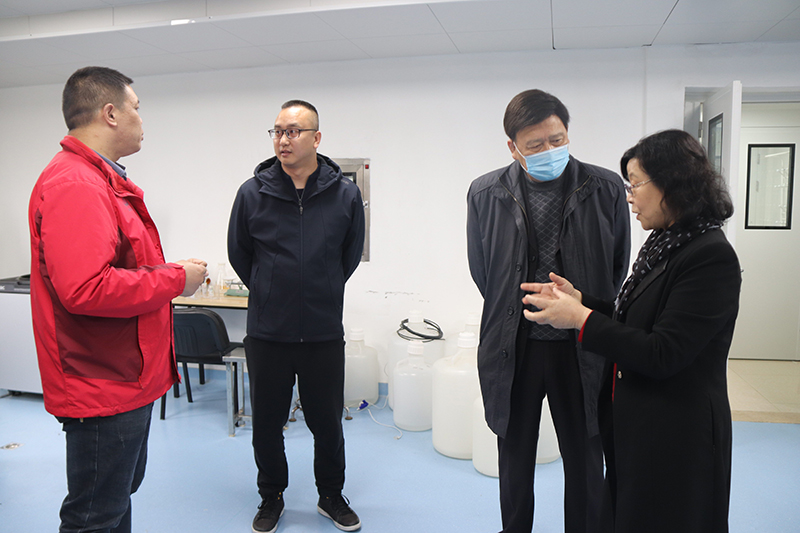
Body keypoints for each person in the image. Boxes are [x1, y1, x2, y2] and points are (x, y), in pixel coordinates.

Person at [521, 129, 741, 533]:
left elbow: (663, 352)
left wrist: (580, 319)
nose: (629, 197)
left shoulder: (709, 256)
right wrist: (582, 300)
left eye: (635, 184)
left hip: (678, 437)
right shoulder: (667, 241)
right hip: (640, 429)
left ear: (671, 184)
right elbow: (636, 316)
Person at [28, 66, 208, 533]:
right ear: (110, 113)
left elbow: (119, 267)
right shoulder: (76, 183)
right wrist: (176, 279)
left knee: (114, 502)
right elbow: (86, 288)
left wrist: (169, 273)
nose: (141, 120)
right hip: (102, 382)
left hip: (123, 377)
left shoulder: (99, 180)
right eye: (136, 109)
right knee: (94, 516)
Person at [466, 89, 630, 533]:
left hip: (582, 346)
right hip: (514, 347)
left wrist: (581, 308)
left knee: (585, 459)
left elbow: (616, 267)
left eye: (557, 140)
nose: (549, 151)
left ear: (567, 133)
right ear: (513, 147)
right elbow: (483, 272)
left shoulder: (605, 188)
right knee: (514, 461)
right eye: (535, 145)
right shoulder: (485, 193)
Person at [228, 100, 365, 533]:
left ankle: (331, 496)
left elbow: (349, 256)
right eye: (277, 131)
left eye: (293, 131)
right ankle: (271, 496)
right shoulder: (253, 192)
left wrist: (322, 287)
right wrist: (270, 289)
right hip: (268, 332)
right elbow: (239, 253)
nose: (283, 140)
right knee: (267, 424)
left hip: (323, 332)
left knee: (327, 423)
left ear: (316, 138)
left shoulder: (344, 194)